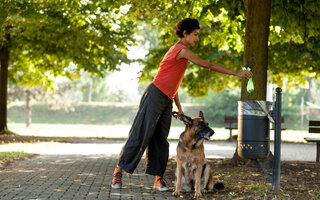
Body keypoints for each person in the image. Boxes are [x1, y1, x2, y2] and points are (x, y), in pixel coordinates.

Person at [111, 18, 252, 191]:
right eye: (195, 34)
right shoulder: (181, 50)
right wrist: (237, 73)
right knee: (141, 134)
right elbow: (209, 65)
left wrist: (178, 107)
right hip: (154, 95)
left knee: (161, 139)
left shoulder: (182, 54)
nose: (197, 38)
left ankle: (158, 179)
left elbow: (174, 84)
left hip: (166, 98)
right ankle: (118, 172)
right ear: (185, 34)